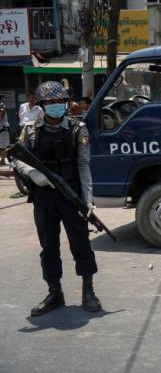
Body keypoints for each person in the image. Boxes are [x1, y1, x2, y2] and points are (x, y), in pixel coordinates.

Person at [14, 81, 101, 316]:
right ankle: (55, 292)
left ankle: (88, 291)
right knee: (48, 246)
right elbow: (17, 157)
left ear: (65, 103)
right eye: (50, 103)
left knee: (81, 243)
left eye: (59, 102)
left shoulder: (77, 129)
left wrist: (89, 200)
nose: (55, 106)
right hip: (43, 197)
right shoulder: (31, 129)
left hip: (71, 195)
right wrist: (32, 173)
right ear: (41, 105)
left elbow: (84, 166)